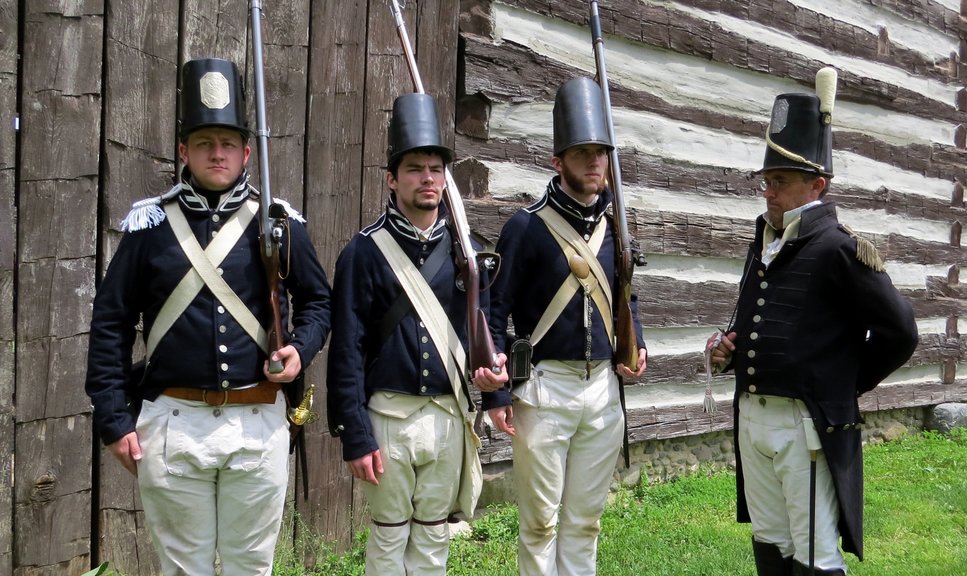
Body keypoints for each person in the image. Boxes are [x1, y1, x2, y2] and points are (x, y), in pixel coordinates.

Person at [84, 58, 331, 575]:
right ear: (183, 151)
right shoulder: (148, 225)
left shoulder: (280, 223)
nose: (215, 153)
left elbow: (318, 303)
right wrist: (113, 419)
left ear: (245, 152)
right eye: (203, 142)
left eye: (226, 143)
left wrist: (299, 349)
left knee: (250, 567)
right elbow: (110, 323)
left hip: (257, 421)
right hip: (174, 425)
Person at [707, 68, 918, 576]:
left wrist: (843, 384)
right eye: (767, 182)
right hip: (753, 417)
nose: (769, 193)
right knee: (770, 542)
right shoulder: (765, 242)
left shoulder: (840, 248)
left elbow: (901, 332)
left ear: (816, 184)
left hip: (804, 427)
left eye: (780, 183)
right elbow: (758, 323)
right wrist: (727, 348)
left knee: (814, 553)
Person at [326, 92, 508, 576]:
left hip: (448, 415)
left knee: (432, 539)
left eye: (435, 168)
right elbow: (346, 349)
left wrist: (494, 388)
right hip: (388, 416)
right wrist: (355, 435)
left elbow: (483, 328)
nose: (427, 178)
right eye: (414, 168)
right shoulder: (363, 252)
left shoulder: (465, 252)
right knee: (388, 541)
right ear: (392, 178)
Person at [483, 77, 647, 576]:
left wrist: (636, 342)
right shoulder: (526, 227)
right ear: (558, 161)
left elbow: (626, 295)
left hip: (601, 388)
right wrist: (495, 395)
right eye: (583, 153)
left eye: (600, 152)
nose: (595, 163)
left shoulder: (615, 226)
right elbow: (494, 311)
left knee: (585, 521)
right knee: (539, 525)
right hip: (545, 387)